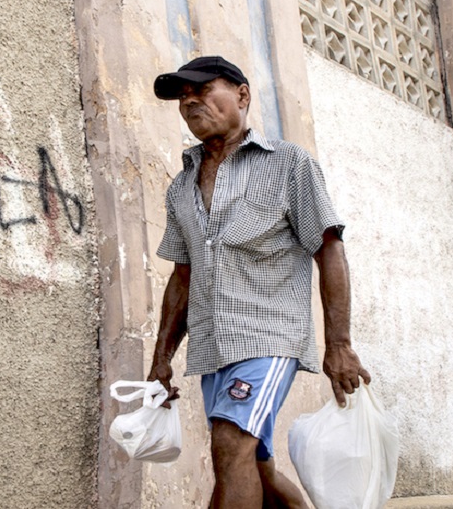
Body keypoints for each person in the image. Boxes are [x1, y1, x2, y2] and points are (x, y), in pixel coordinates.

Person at [147, 56, 371, 509]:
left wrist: (339, 343)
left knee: (229, 447)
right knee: (254, 464)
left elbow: (328, 247)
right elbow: (182, 275)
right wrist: (161, 358)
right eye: (182, 97)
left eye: (202, 90)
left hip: (269, 335)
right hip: (214, 345)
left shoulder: (289, 164)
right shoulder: (181, 186)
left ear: (242, 95)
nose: (190, 101)